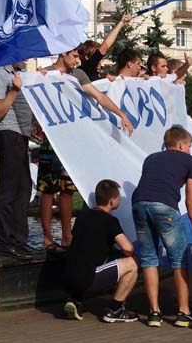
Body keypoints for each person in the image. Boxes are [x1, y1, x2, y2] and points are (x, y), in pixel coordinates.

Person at [38, 48, 134, 250]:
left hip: (70, 142)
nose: (77, 60)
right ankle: (47, 237)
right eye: (74, 56)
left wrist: (121, 114)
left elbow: (99, 97)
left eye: (79, 56)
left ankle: (66, 236)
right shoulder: (45, 72)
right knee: (47, 190)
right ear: (62, 54)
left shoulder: (78, 75)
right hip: (51, 139)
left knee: (67, 190)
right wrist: (39, 78)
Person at [132, 126, 192, 327]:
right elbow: (191, 201)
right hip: (164, 206)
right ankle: (183, 312)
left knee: (148, 258)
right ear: (181, 144)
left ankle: (154, 312)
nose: (190, 150)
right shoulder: (190, 161)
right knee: (178, 258)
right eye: (189, 146)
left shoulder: (151, 158)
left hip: (138, 203)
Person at [63, 179, 139, 323]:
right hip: (89, 278)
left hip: (68, 277)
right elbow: (128, 248)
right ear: (111, 201)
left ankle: (75, 299)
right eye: (118, 198)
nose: (120, 201)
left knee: (88, 261)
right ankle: (115, 309)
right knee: (133, 263)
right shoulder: (110, 221)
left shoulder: (82, 216)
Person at [0, 61, 35, 259]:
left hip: (20, 135)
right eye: (22, 54)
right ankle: (5, 242)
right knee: (9, 189)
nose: (26, 58)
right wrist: (14, 91)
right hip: (7, 133)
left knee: (23, 189)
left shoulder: (19, 73)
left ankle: (19, 240)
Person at [77, 13, 133, 81]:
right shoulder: (88, 68)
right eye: (98, 57)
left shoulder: (80, 72)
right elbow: (106, 45)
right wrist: (121, 23)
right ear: (87, 57)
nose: (101, 61)